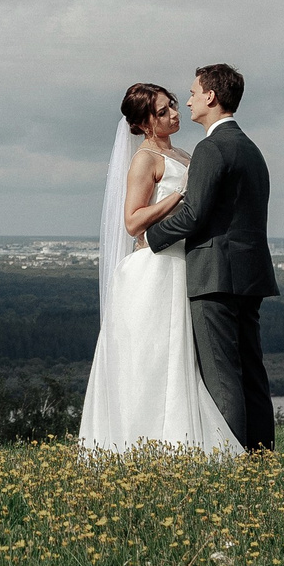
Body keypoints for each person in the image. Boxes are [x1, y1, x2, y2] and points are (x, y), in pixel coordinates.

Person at [76, 80, 241, 454]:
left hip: (183, 263)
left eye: (174, 106)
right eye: (164, 110)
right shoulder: (145, 159)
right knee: (150, 360)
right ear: (146, 122)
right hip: (154, 269)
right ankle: (143, 442)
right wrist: (180, 195)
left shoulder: (183, 153)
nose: (174, 113)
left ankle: (177, 440)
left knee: (182, 357)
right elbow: (133, 222)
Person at [144, 63, 278, 451]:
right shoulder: (251, 149)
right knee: (252, 371)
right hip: (250, 275)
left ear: (211, 97)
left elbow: (194, 213)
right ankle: (261, 457)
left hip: (214, 276)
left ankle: (232, 463)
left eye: (192, 93)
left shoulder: (211, 147)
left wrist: (150, 237)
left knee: (221, 375)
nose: (186, 101)